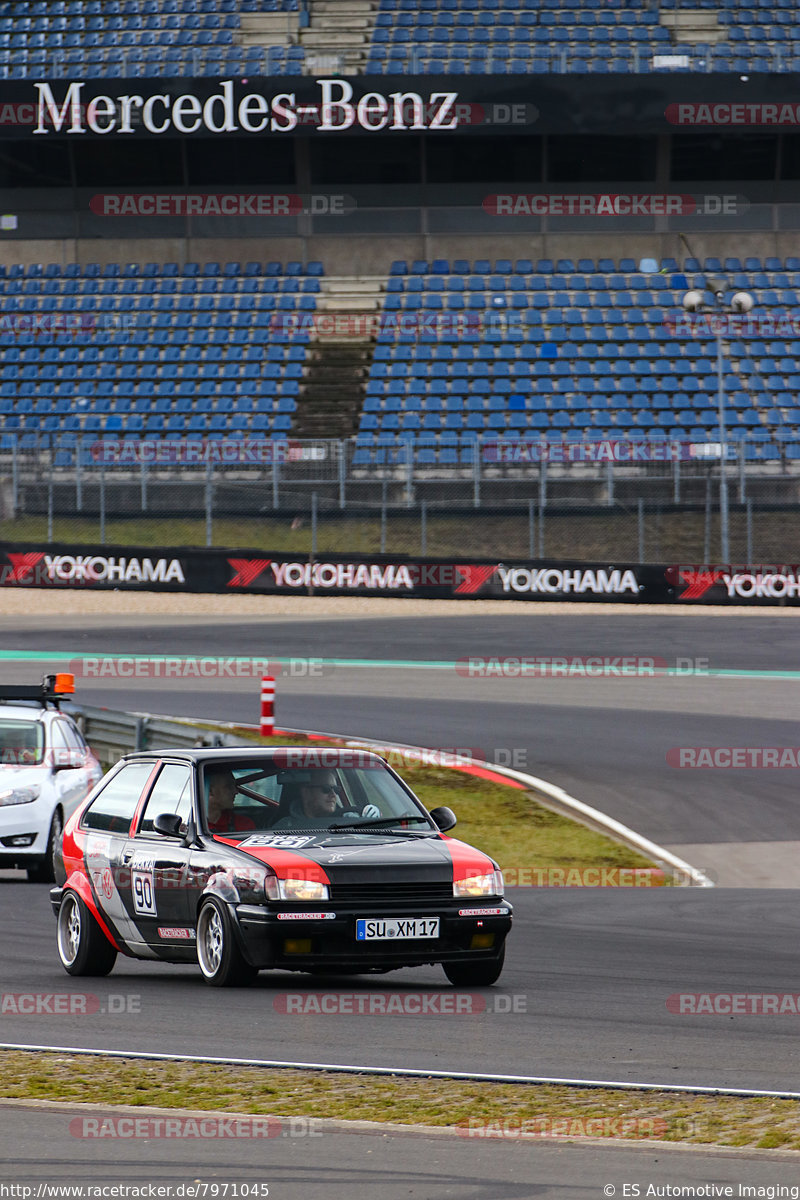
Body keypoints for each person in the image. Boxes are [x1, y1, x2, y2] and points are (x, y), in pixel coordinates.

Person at [275, 769, 380, 829]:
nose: (333, 794)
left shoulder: (349, 821)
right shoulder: (284, 828)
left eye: (336, 789)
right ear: (306, 792)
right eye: (326, 789)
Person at [205, 766, 256, 834]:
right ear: (210, 791)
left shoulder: (243, 825)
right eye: (228, 786)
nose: (236, 791)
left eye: (234, 786)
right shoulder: (189, 826)